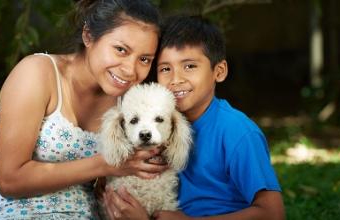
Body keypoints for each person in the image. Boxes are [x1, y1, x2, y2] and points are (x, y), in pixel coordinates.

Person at [0, 0, 167, 219]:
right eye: (121, 50)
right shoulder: (37, 73)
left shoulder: (128, 105)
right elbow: (10, 180)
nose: (130, 70)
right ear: (88, 36)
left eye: (144, 59)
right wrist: (107, 164)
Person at [104, 15, 285, 220]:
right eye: (165, 69)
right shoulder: (162, 123)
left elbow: (273, 213)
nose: (176, 79)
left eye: (189, 66)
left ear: (219, 71)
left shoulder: (237, 132)